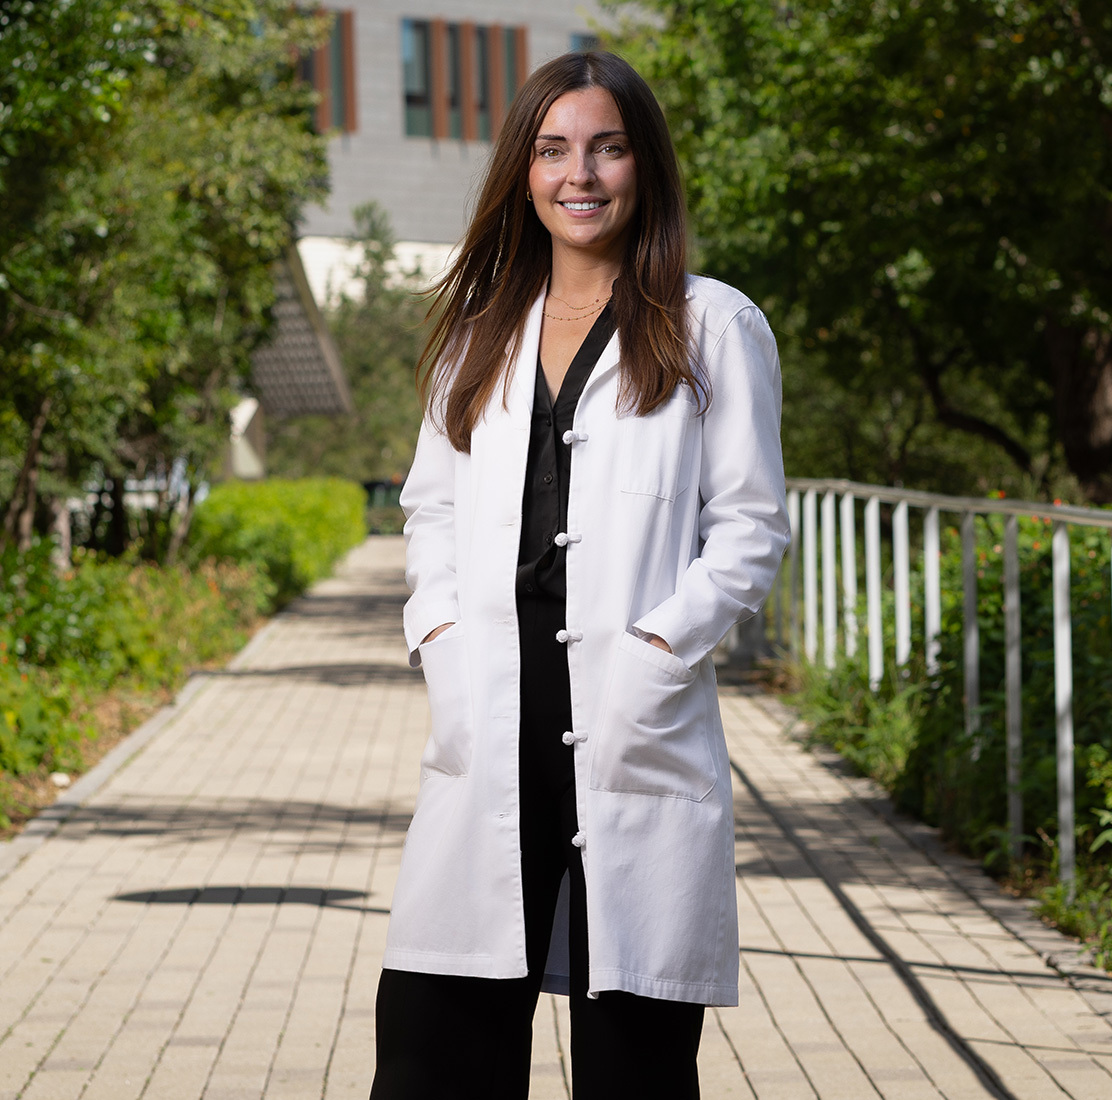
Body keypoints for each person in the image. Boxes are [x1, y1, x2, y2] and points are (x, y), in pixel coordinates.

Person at [370, 50, 790, 1099]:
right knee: (431, 1046)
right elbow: (429, 505)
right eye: (554, 150)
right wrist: (439, 634)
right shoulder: (479, 335)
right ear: (523, 171)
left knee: (634, 1068)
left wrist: (659, 646)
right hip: (493, 718)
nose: (581, 174)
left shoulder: (713, 326)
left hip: (630, 717)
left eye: (605, 147)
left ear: (642, 164)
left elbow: (748, 526)